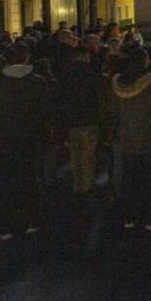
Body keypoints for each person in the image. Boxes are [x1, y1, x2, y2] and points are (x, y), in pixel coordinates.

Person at [0, 44, 49, 240]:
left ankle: (6, 225)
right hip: (29, 137)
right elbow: (45, 111)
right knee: (29, 179)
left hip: (2, 138)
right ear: (27, 58)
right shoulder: (37, 82)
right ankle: (32, 220)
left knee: (4, 183)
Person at [105, 49, 151, 231]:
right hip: (150, 138)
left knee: (129, 178)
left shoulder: (116, 84)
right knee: (150, 179)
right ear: (145, 62)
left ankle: (130, 216)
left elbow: (112, 112)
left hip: (125, 138)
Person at [60, 46, 106, 197]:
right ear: (84, 57)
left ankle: (77, 184)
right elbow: (99, 100)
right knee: (88, 155)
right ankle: (86, 186)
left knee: (75, 154)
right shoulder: (93, 75)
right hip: (90, 120)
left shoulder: (64, 77)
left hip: (71, 120)